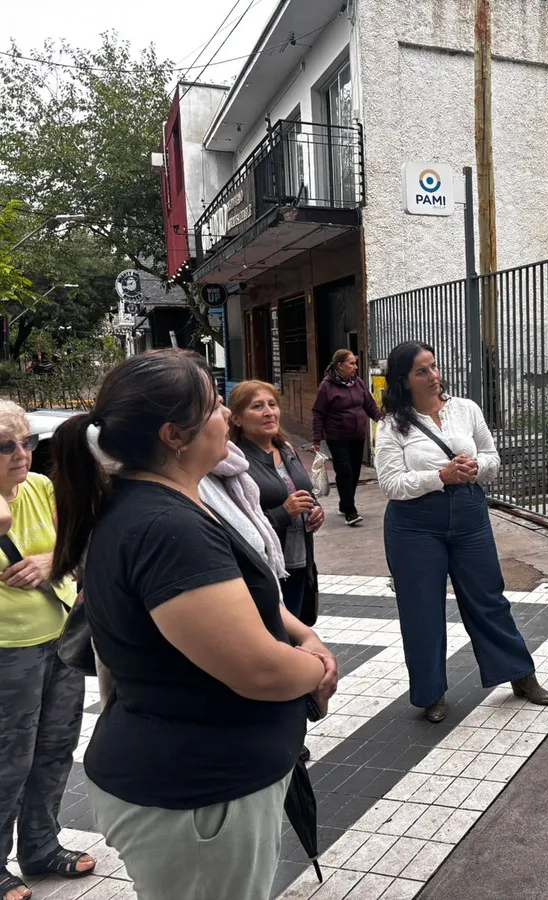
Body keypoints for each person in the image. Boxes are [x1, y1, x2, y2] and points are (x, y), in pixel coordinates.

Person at [50, 349, 338, 900]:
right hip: (198, 797)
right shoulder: (166, 527)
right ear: (173, 435)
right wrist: (318, 668)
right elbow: (256, 671)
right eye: (212, 406)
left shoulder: (171, 500)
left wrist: (303, 634)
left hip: (203, 784)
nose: (226, 417)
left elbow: (249, 597)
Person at [376, 341, 548, 723]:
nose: (434, 376)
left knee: (488, 597)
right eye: (422, 371)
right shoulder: (392, 424)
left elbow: (492, 457)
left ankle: (520, 674)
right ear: (404, 381)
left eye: (434, 367)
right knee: (421, 608)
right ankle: (431, 693)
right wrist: (440, 476)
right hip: (414, 525)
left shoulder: (465, 409)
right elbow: (390, 484)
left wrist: (476, 467)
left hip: (469, 514)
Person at [0, 402, 94, 900]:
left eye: (28, 442)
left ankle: (41, 845)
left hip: (60, 638)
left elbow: (81, 550)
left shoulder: (40, 488)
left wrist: (49, 560)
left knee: (56, 746)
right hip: (7, 650)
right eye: (6, 446)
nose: (22, 454)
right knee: (8, 758)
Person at [232, 380, 324, 620]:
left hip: (300, 561)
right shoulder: (236, 462)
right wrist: (284, 512)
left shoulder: (287, 450)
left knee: (298, 631)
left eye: (272, 404)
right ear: (237, 418)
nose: (268, 412)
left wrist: (316, 510)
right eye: (257, 406)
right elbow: (236, 526)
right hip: (265, 570)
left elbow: (305, 492)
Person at [312, 349, 383, 527]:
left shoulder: (357, 382)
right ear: (339, 365)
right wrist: (316, 439)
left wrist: (383, 420)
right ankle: (350, 512)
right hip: (337, 437)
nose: (355, 367)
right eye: (351, 363)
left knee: (354, 473)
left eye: (355, 363)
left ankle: (344, 504)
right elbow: (318, 413)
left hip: (358, 436)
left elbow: (369, 405)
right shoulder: (327, 386)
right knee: (345, 471)